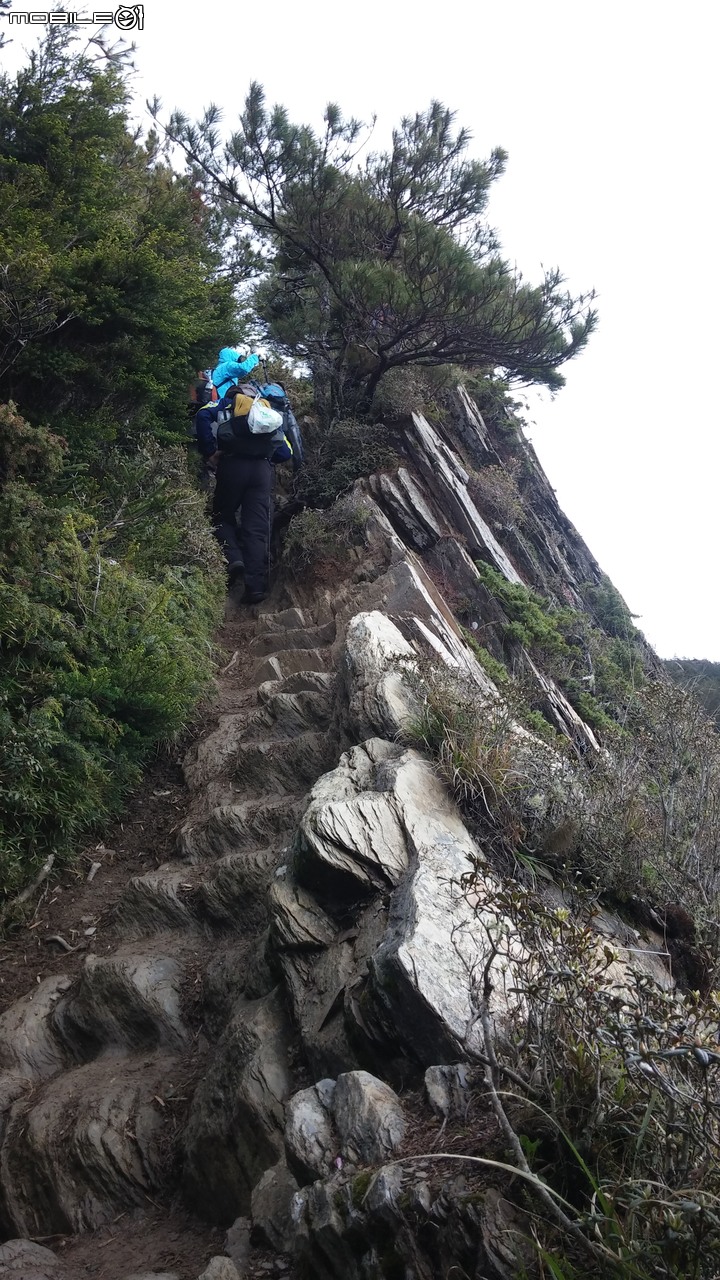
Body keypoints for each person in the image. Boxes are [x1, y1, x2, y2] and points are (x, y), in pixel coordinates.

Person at [195, 385, 301, 604]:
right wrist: (266, 457)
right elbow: (286, 451)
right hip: (261, 473)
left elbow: (203, 414)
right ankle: (255, 588)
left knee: (222, 515)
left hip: (232, 465)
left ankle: (234, 558)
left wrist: (210, 452)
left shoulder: (225, 404)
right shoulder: (266, 411)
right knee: (256, 527)